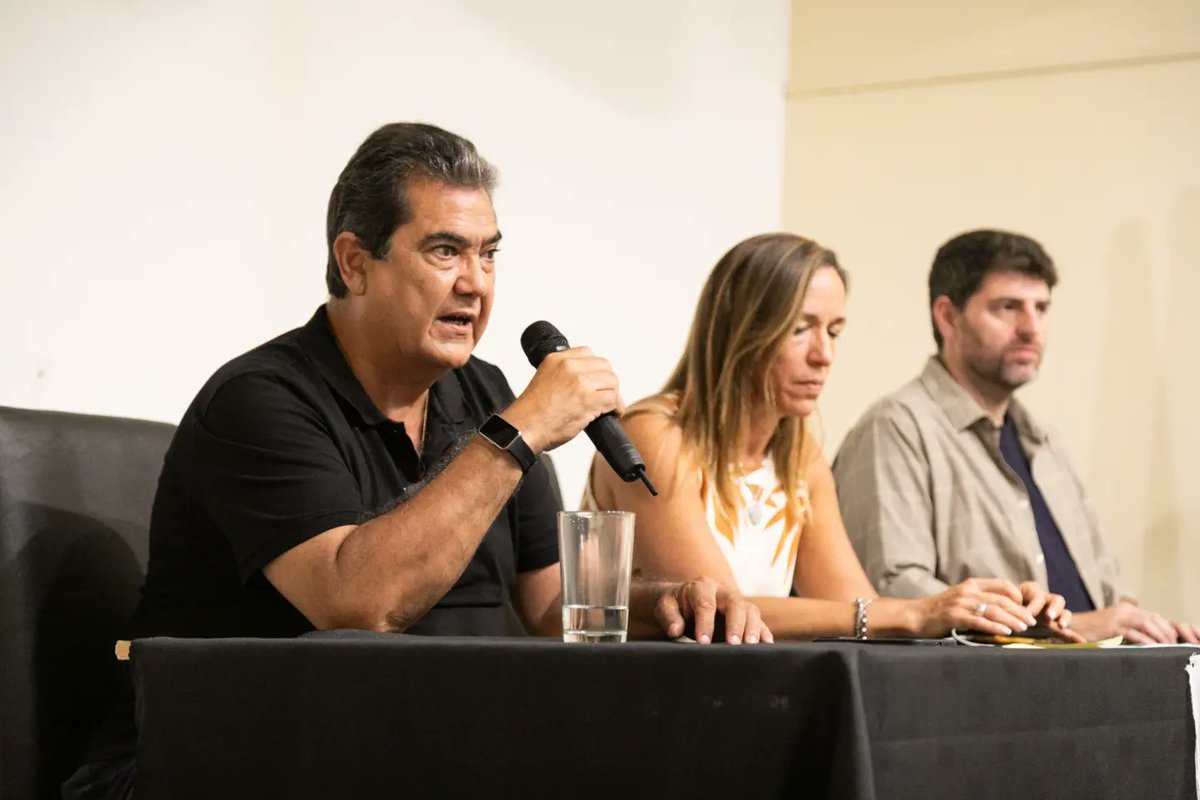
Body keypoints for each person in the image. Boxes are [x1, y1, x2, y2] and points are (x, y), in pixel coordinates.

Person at [64, 123, 769, 800]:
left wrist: (668, 604)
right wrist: (518, 432)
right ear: (354, 262)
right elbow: (358, 604)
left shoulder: (484, 392)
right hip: (206, 764)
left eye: (489, 254)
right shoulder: (262, 401)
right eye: (444, 252)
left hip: (411, 748)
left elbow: (552, 608)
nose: (476, 283)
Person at [586, 232, 1076, 640]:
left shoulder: (800, 457)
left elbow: (854, 606)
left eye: (835, 331)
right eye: (800, 329)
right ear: (739, 331)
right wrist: (919, 612)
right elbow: (720, 613)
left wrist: (987, 610)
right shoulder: (655, 436)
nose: (823, 355)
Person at [832, 229, 1199, 644]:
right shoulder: (896, 428)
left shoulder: (1047, 442)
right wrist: (1065, 630)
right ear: (948, 316)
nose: (1030, 327)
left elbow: (1108, 592)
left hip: (1089, 678)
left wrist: (1149, 632)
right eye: (1008, 308)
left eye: (1041, 308)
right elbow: (893, 592)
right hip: (981, 692)